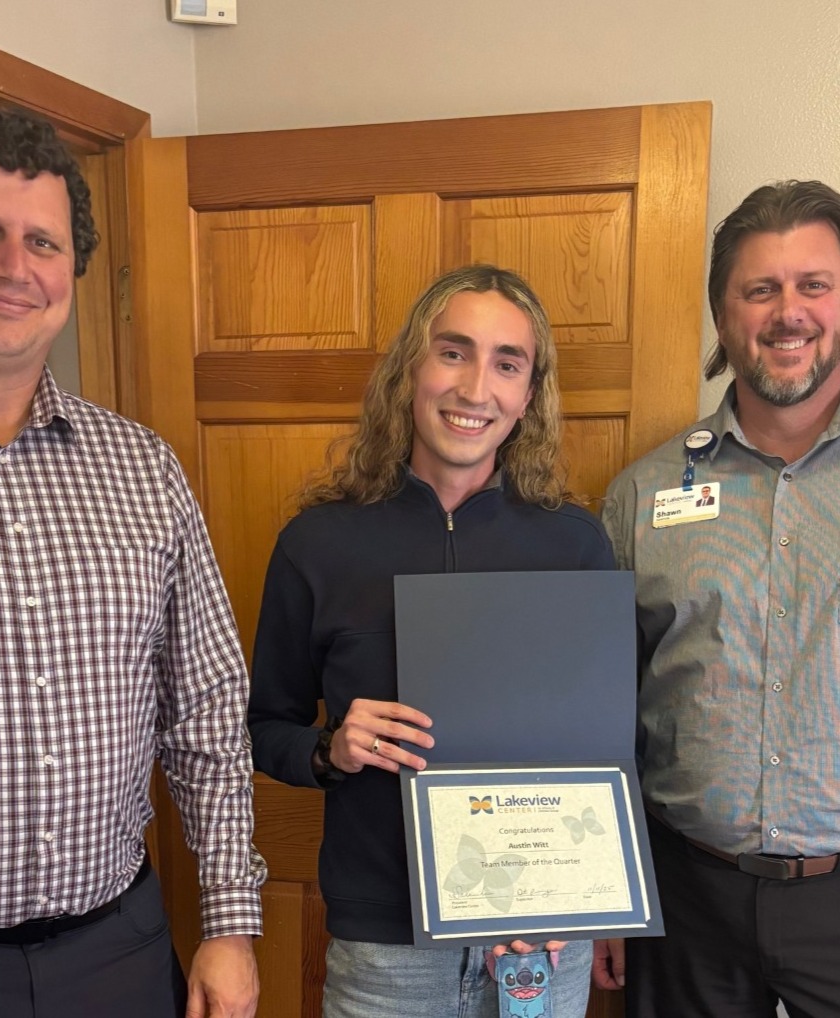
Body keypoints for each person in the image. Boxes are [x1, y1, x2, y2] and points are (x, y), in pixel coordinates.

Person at [595, 180, 840, 1017]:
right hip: (682, 901)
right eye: (758, 289)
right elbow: (600, 715)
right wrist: (601, 888)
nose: (786, 313)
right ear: (723, 316)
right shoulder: (639, 495)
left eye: (813, 285)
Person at [0, 103, 266, 1018]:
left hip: (115, 953)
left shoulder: (142, 470)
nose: (15, 267)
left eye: (42, 243)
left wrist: (231, 925)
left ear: (73, 273)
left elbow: (204, 710)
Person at [248, 264, 615, 1017]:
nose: (475, 388)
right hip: (384, 946)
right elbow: (263, 727)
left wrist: (584, 897)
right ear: (410, 369)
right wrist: (328, 749)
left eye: (506, 364)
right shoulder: (318, 543)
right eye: (452, 352)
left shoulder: (574, 545)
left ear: (528, 395)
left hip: (538, 941)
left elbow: (605, 753)